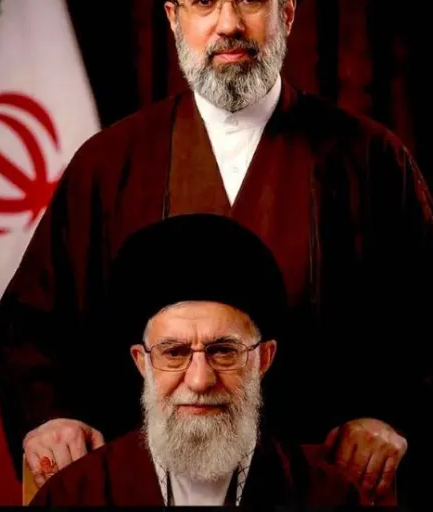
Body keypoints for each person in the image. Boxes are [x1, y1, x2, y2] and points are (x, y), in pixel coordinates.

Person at [0, 0, 433, 505]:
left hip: (317, 487)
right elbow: (34, 323)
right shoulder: (109, 162)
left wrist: (389, 417)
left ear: (286, 12)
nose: (228, 25)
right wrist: (50, 415)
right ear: (174, 19)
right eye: (203, 1)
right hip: (144, 487)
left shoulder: (369, 158)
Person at [29, 214, 389, 507]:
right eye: (174, 353)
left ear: (264, 359)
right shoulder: (74, 497)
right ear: (142, 363)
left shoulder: (331, 499)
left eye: (223, 351)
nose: (200, 381)